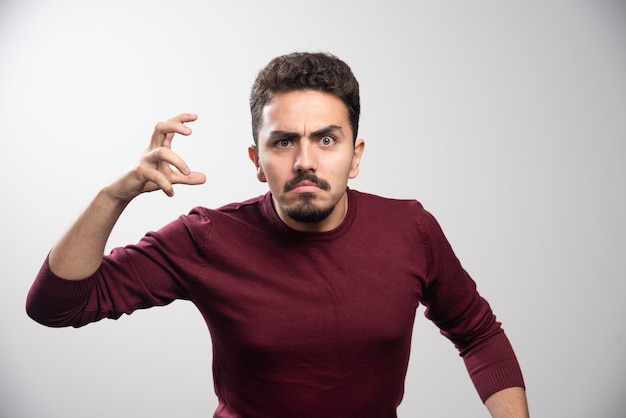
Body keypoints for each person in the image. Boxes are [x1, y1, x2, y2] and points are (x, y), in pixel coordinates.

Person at [26, 52, 528, 417]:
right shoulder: (208, 238)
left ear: (355, 156)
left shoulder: (410, 229)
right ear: (257, 162)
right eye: (284, 141)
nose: (305, 161)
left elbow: (478, 332)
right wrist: (115, 195)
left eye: (327, 140)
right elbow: (56, 305)